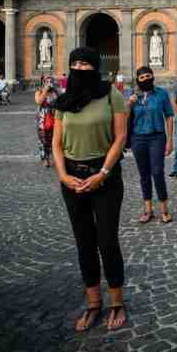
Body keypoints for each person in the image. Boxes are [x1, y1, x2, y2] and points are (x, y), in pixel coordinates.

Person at [52, 47, 128, 332]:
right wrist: (62, 175)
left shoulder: (112, 95)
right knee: (84, 241)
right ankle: (94, 302)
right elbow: (56, 144)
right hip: (72, 178)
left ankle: (117, 301)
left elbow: (120, 138)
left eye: (85, 63)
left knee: (107, 241)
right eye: (75, 63)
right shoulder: (63, 102)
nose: (80, 67)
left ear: (96, 67)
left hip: (105, 176)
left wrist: (103, 172)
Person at [128, 66, 174, 224]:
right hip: (138, 138)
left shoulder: (161, 93)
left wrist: (170, 140)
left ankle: (164, 209)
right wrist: (129, 104)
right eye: (142, 77)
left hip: (157, 137)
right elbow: (122, 116)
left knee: (157, 172)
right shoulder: (132, 96)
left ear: (153, 77)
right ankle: (148, 210)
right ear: (137, 80)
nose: (146, 79)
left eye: (148, 76)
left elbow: (169, 116)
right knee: (144, 175)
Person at [35, 78, 59, 167]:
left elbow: (61, 101)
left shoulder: (55, 92)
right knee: (43, 139)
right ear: (43, 83)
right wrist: (45, 90)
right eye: (47, 82)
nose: (49, 83)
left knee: (55, 138)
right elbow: (39, 101)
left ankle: (56, 158)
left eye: (50, 81)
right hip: (42, 119)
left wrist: (57, 90)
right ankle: (46, 158)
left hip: (55, 118)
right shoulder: (39, 92)